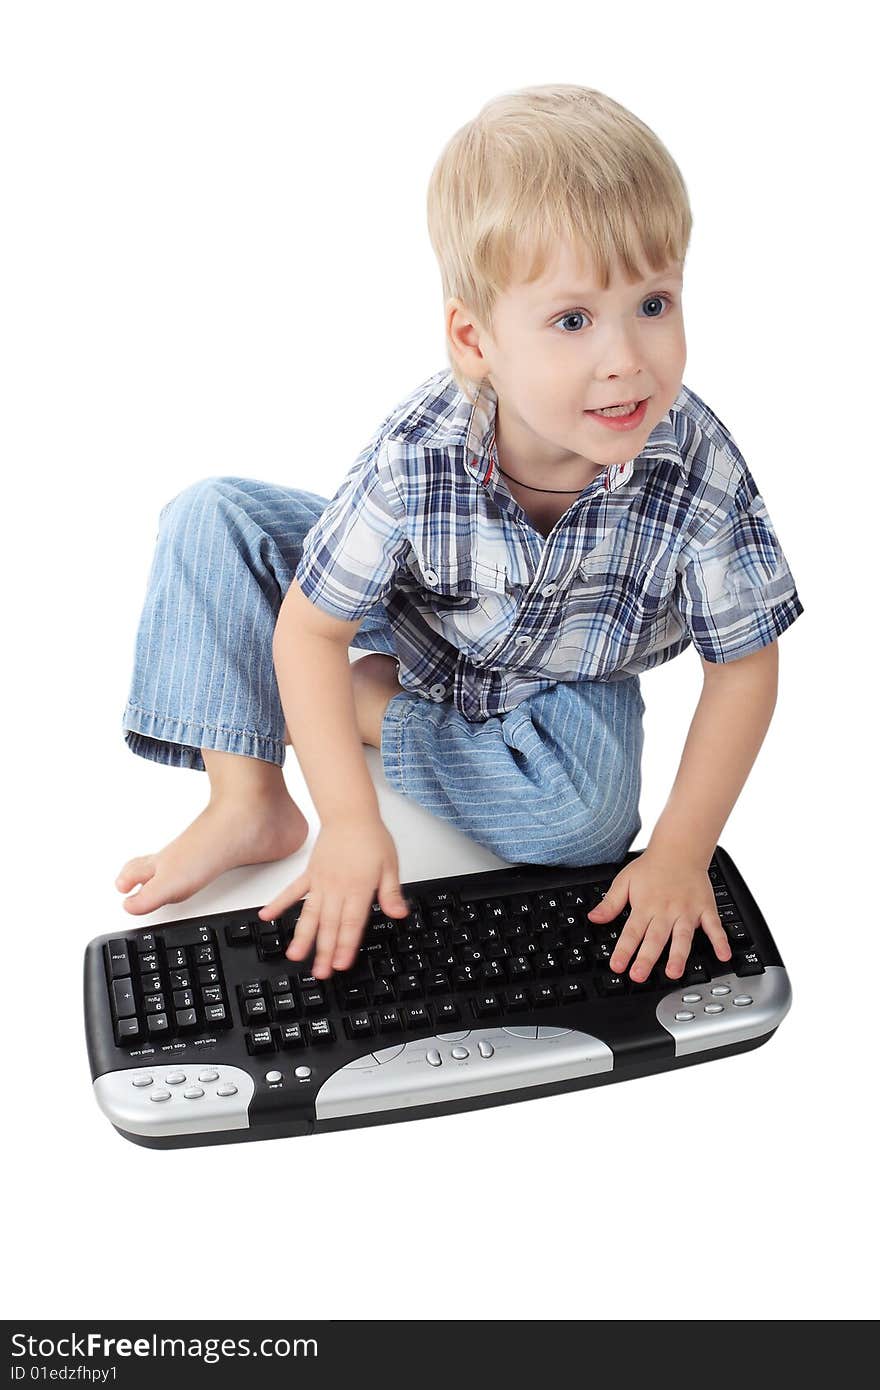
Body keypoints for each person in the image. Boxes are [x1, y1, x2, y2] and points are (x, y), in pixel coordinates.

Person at [116, 83, 804, 986]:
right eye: (572, 320)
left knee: (585, 824)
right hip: (415, 613)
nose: (626, 358)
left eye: (654, 302)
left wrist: (680, 852)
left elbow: (744, 665)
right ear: (475, 341)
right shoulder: (420, 451)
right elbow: (313, 625)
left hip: (560, 680)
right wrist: (351, 823)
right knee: (212, 515)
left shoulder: (697, 463)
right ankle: (249, 799)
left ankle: (369, 709)